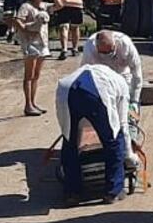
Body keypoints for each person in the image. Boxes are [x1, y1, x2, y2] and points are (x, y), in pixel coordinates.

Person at [55, 64, 134, 205]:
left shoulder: (110, 78)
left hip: (66, 90)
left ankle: (72, 193)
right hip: (97, 92)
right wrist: (129, 155)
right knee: (114, 141)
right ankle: (113, 191)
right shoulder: (121, 84)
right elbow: (122, 124)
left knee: (70, 141)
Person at [14, 0, 64, 116]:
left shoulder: (44, 6)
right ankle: (28, 104)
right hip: (31, 44)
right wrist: (28, 28)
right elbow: (19, 21)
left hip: (42, 44)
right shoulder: (26, 6)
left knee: (36, 75)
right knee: (29, 75)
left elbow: (60, 5)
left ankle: (33, 102)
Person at [81, 30, 143, 109]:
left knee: (127, 110)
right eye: (103, 53)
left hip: (123, 76)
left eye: (110, 51)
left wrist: (135, 100)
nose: (107, 55)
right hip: (101, 78)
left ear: (115, 44)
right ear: (96, 47)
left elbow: (136, 73)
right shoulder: (89, 48)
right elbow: (84, 73)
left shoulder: (126, 45)